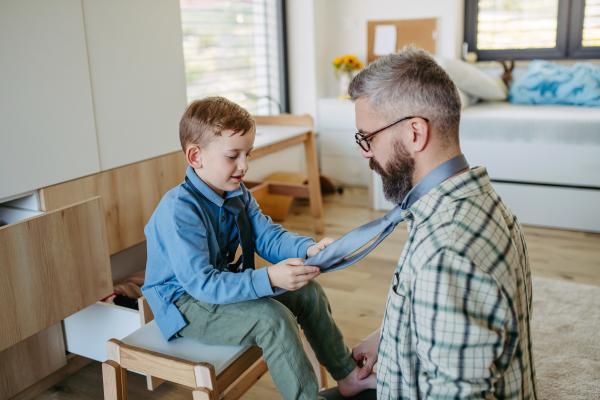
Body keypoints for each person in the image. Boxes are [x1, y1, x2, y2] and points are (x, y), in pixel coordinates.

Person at [328, 46, 537, 399]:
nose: (366, 152)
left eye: (368, 138)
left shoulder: (447, 252)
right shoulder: (472, 199)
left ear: (414, 134)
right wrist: (389, 336)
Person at [141, 96, 376, 400]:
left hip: (217, 287)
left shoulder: (237, 193)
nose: (244, 166)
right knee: (272, 320)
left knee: (309, 293)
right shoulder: (178, 210)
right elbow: (201, 284)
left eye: (247, 154)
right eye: (233, 156)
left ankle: (346, 374)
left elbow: (268, 237)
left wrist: (309, 249)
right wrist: (270, 279)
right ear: (195, 156)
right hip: (185, 304)